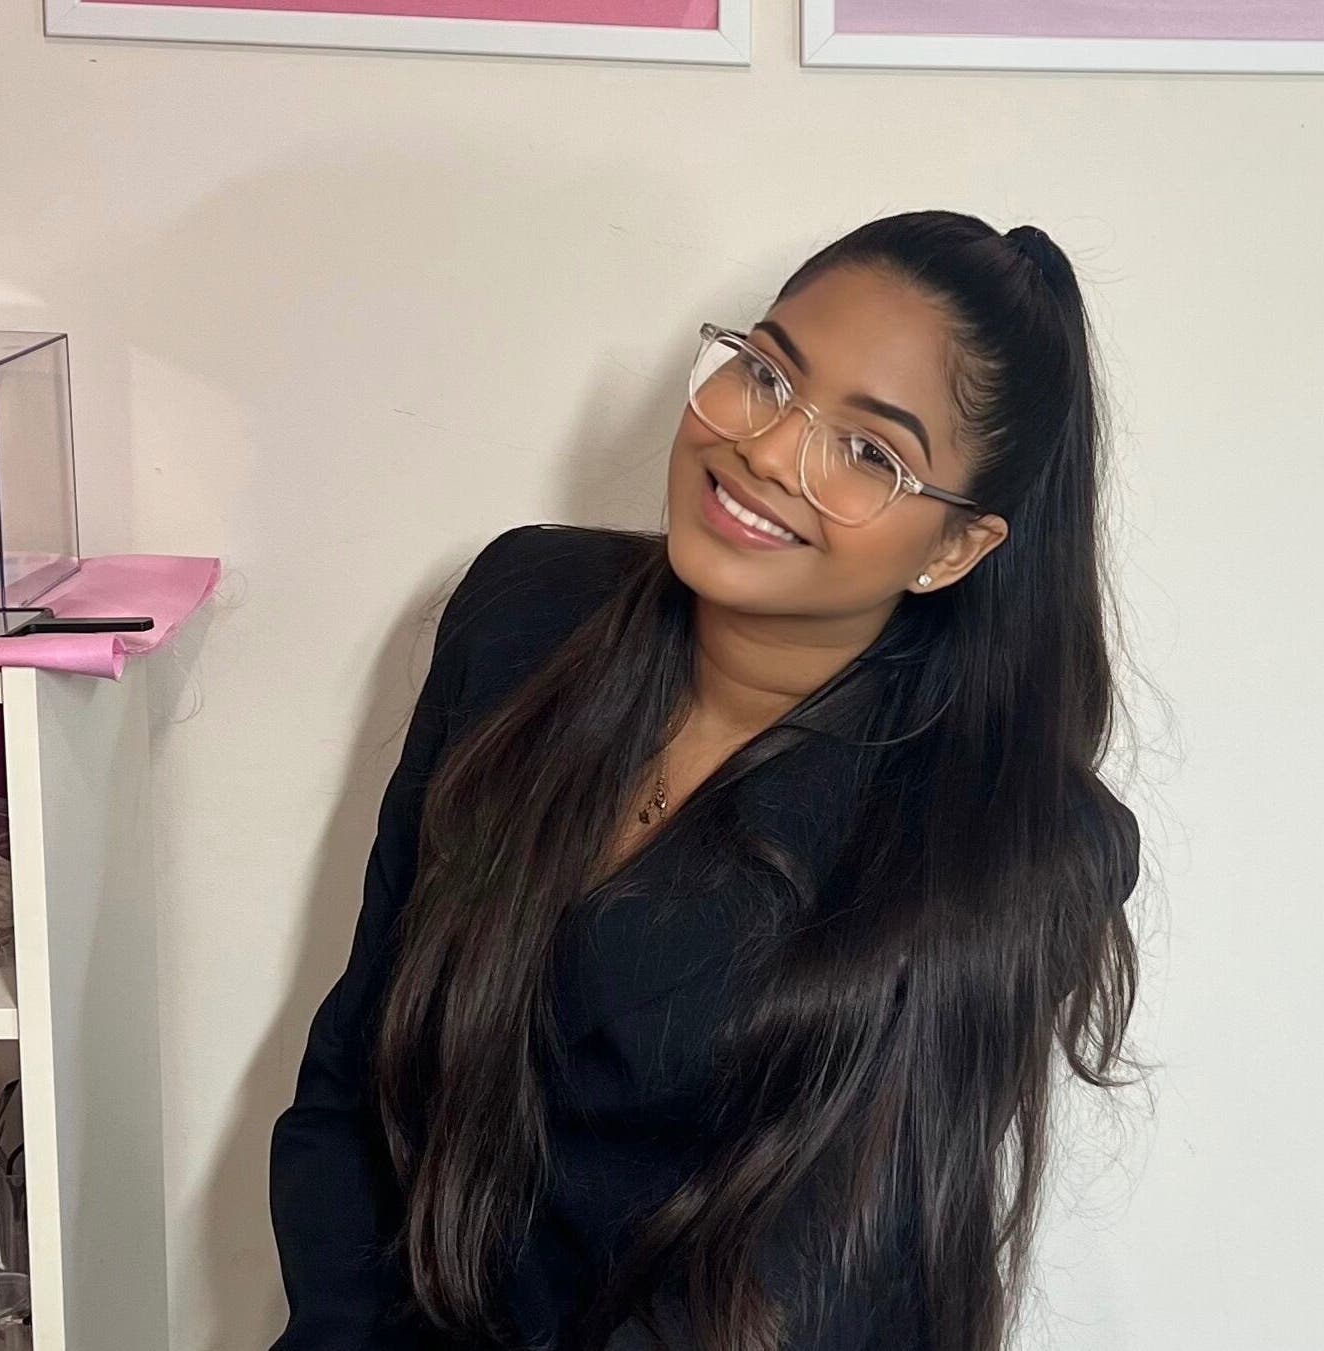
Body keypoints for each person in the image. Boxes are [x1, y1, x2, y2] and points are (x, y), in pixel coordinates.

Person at [268, 209, 1143, 1351]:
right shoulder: (521, 611)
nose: (769, 451)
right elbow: (356, 1072)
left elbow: (819, 1287)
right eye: (767, 375)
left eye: (870, 453)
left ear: (953, 550)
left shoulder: (1015, 845)